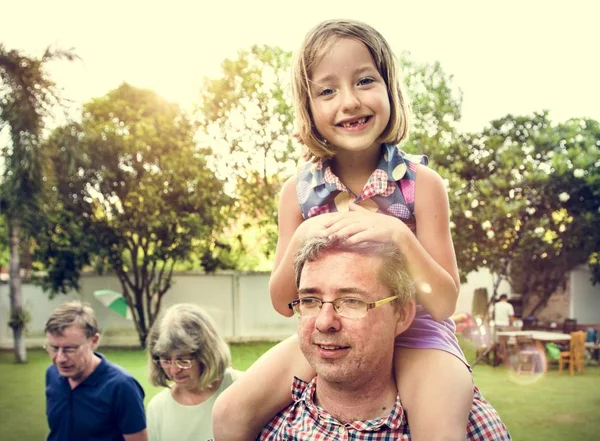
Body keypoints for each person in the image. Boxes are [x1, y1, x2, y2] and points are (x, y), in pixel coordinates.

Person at [213, 19, 472, 441]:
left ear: (390, 89)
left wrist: (398, 236)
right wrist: (300, 239)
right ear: (309, 107)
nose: (348, 102)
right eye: (327, 90)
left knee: (440, 429)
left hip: (420, 339)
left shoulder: (422, 185)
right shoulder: (297, 194)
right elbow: (283, 302)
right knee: (229, 411)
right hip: (331, 336)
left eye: (365, 80)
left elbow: (442, 304)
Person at [257, 236, 511, 439]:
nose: (324, 322)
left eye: (352, 301)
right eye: (310, 301)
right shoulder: (265, 424)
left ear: (401, 314)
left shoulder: (473, 430)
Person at [44, 301, 147, 441]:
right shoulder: (53, 374)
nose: (60, 359)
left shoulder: (122, 386)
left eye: (70, 349)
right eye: (54, 348)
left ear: (94, 341)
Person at [146, 303, 240, 441]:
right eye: (166, 360)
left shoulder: (240, 388)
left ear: (206, 355)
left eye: (183, 360)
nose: (174, 370)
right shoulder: (157, 408)